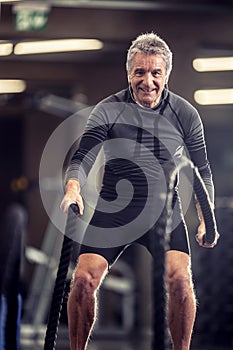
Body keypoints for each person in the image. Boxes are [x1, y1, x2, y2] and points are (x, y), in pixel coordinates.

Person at [60, 32, 219, 350]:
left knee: (180, 280)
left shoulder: (184, 113)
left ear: (166, 75)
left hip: (164, 214)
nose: (147, 81)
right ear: (129, 72)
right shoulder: (107, 109)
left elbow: (201, 171)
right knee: (82, 280)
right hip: (113, 209)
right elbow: (83, 157)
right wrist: (73, 189)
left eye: (155, 72)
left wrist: (206, 218)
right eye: (140, 72)